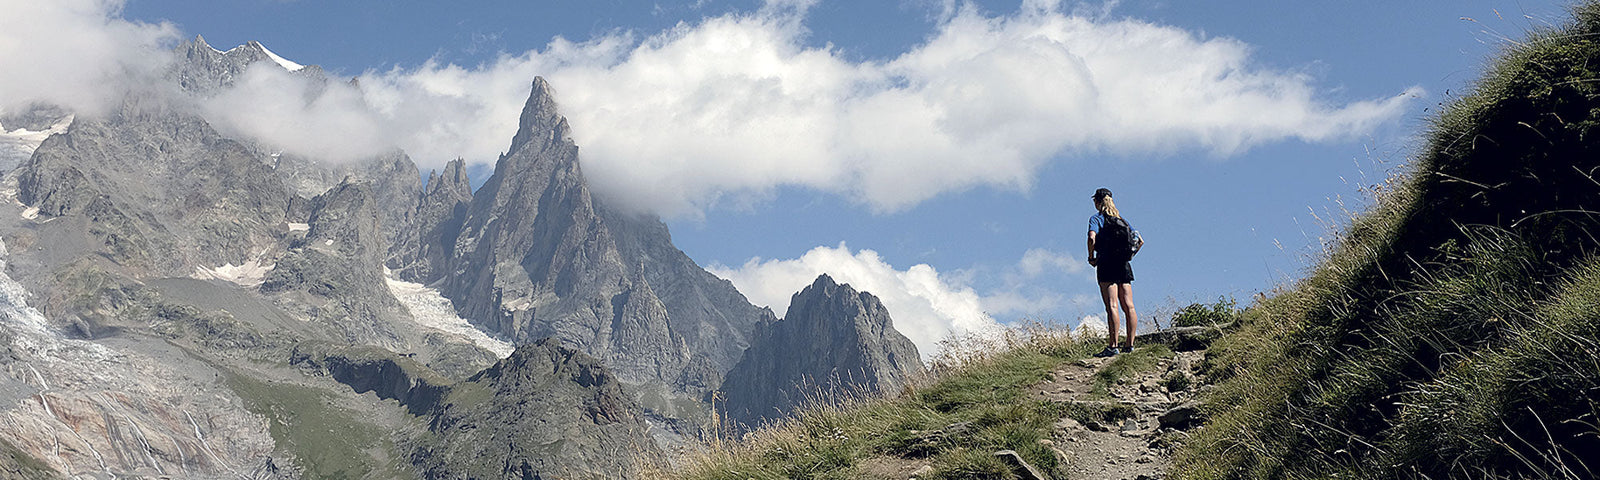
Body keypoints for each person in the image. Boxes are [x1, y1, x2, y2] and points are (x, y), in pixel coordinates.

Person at [1087, 188, 1144, 357]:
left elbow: (1091, 237)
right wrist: (1129, 255)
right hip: (1123, 264)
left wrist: (1092, 257)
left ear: (1097, 202)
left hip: (1106, 263)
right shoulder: (1122, 220)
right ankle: (1130, 345)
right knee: (1129, 305)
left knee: (1112, 305)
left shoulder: (1097, 219)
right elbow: (1139, 241)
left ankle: (1113, 346)